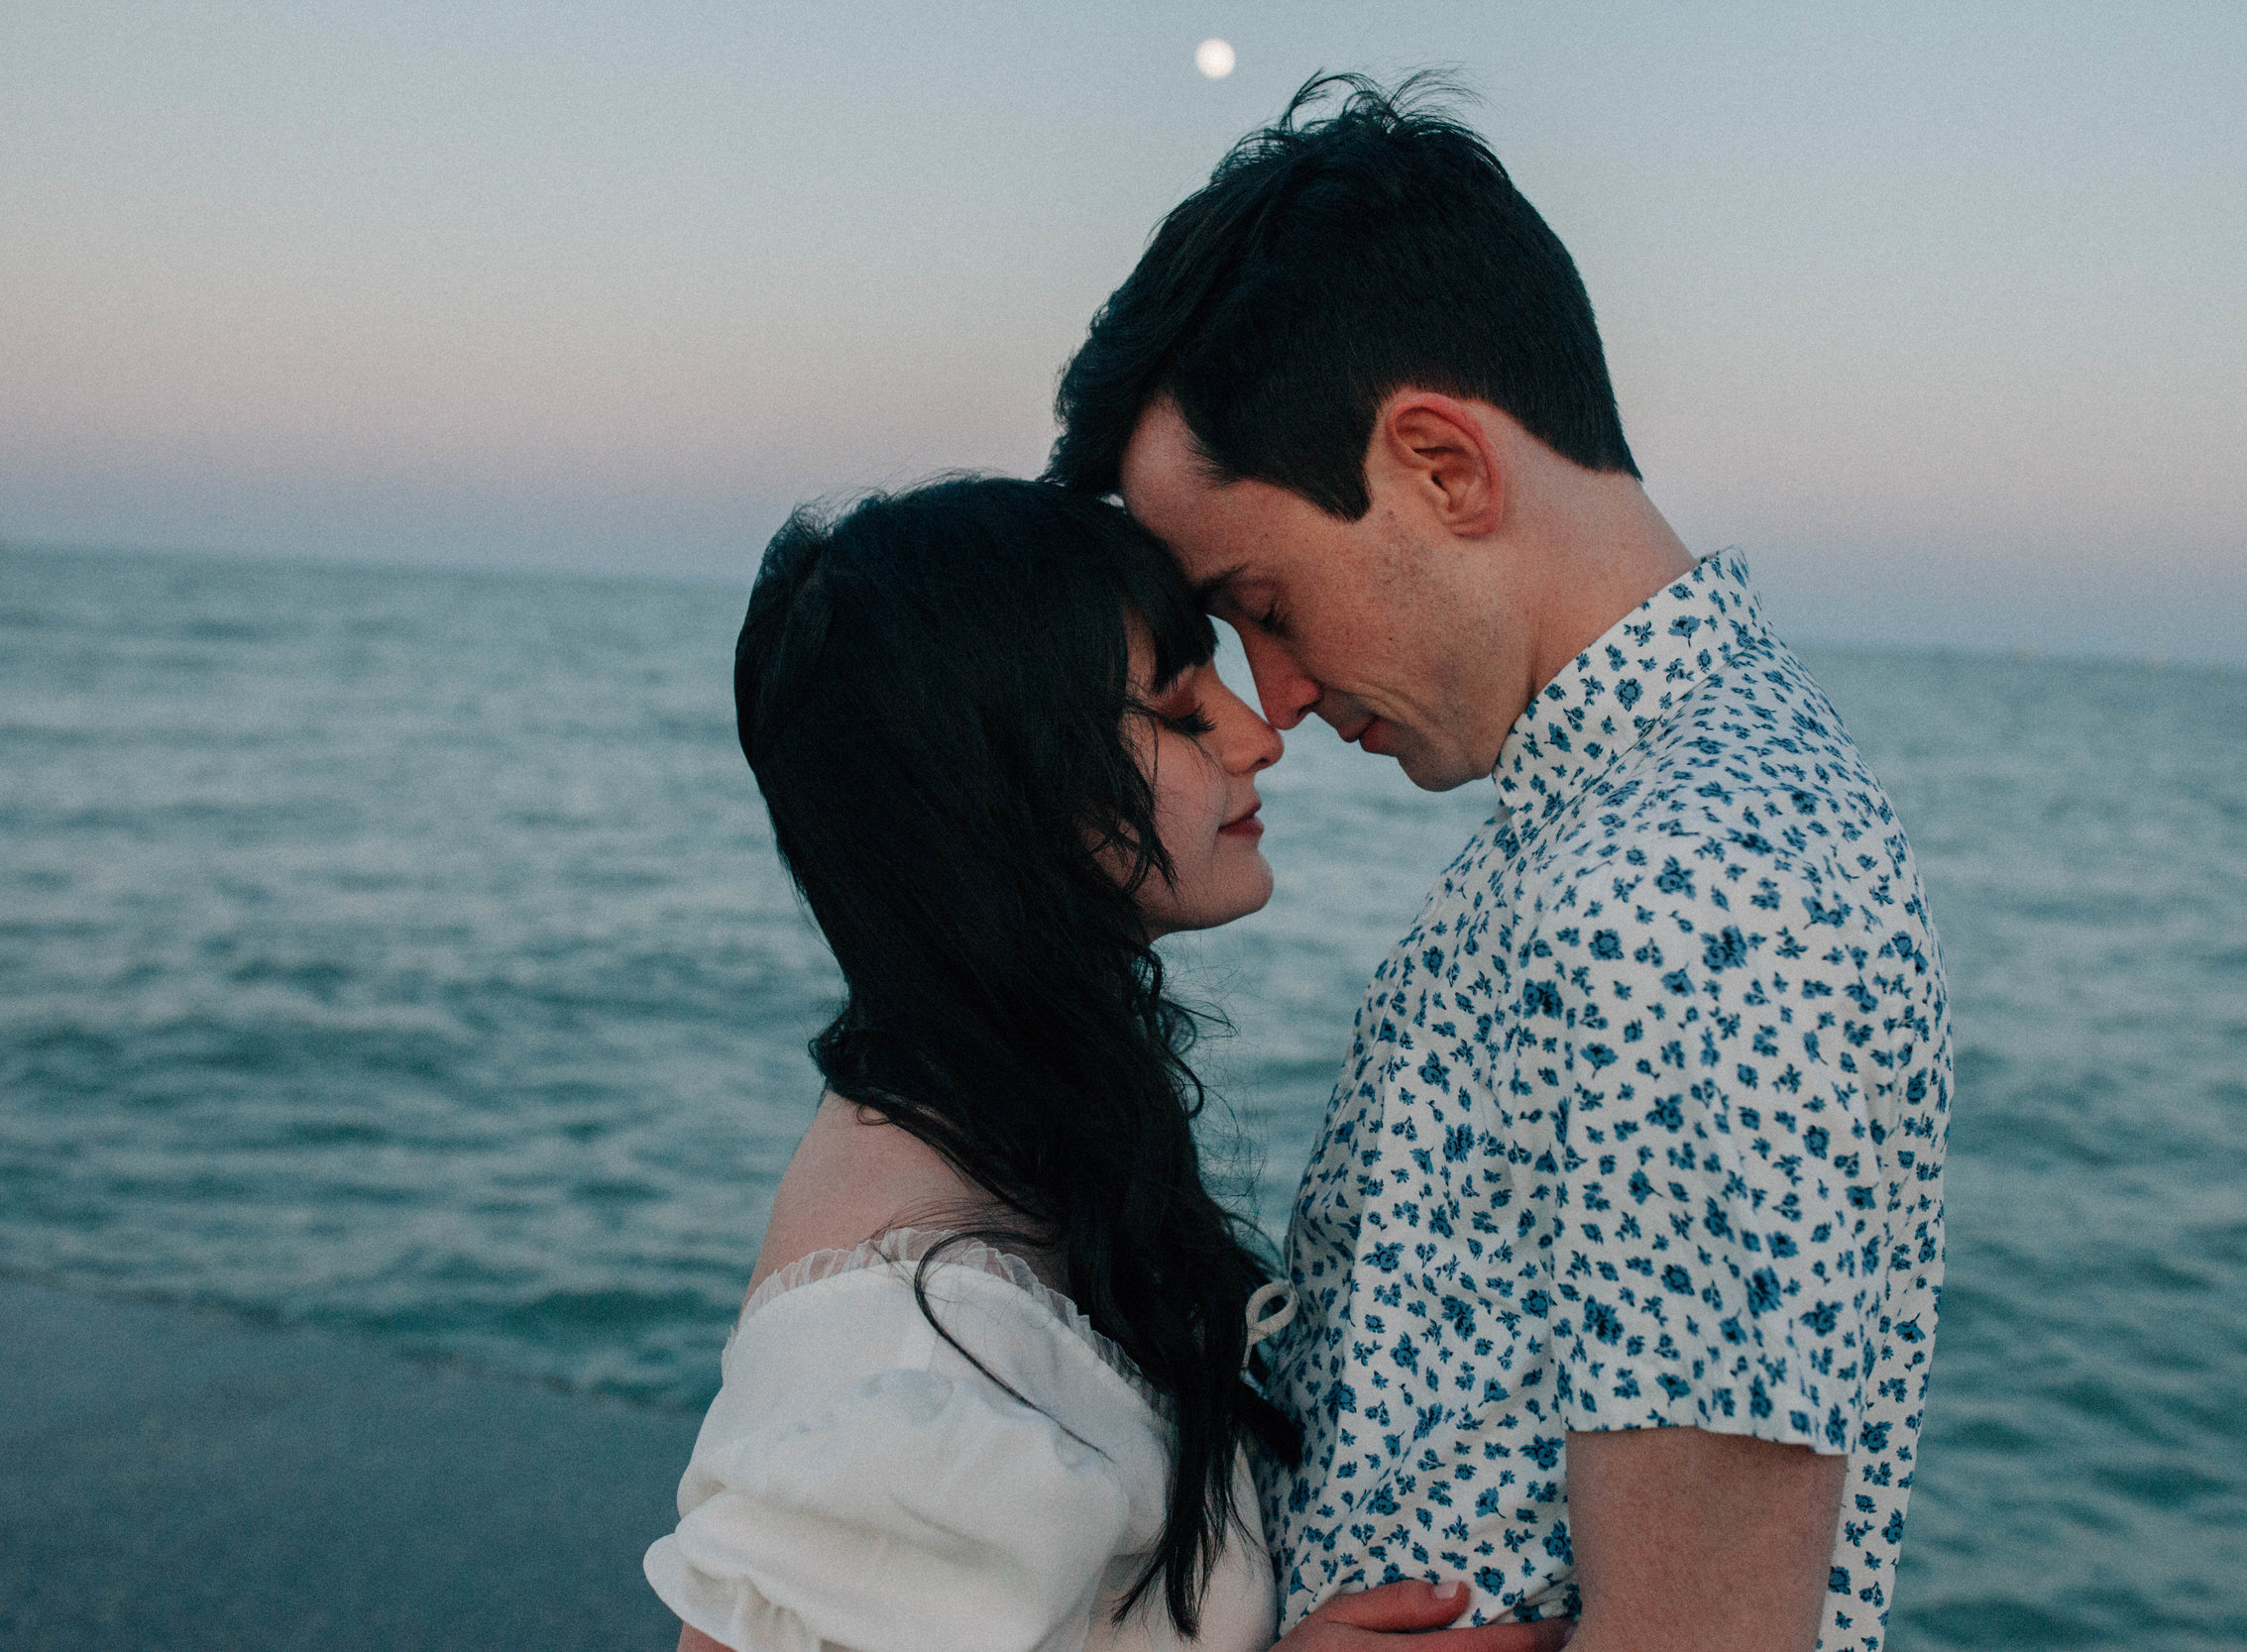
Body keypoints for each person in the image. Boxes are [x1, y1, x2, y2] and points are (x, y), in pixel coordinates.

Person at [1047, 76, 1953, 1652]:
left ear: (1444, 468)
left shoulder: (1683, 891)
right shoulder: (1625, 822)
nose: (1283, 697)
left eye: (1264, 600)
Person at [641, 478, 1573, 1652]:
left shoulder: (1007, 1127)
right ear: (999, 789)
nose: (1259, 735)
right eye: (1181, 712)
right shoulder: (903, 1334)